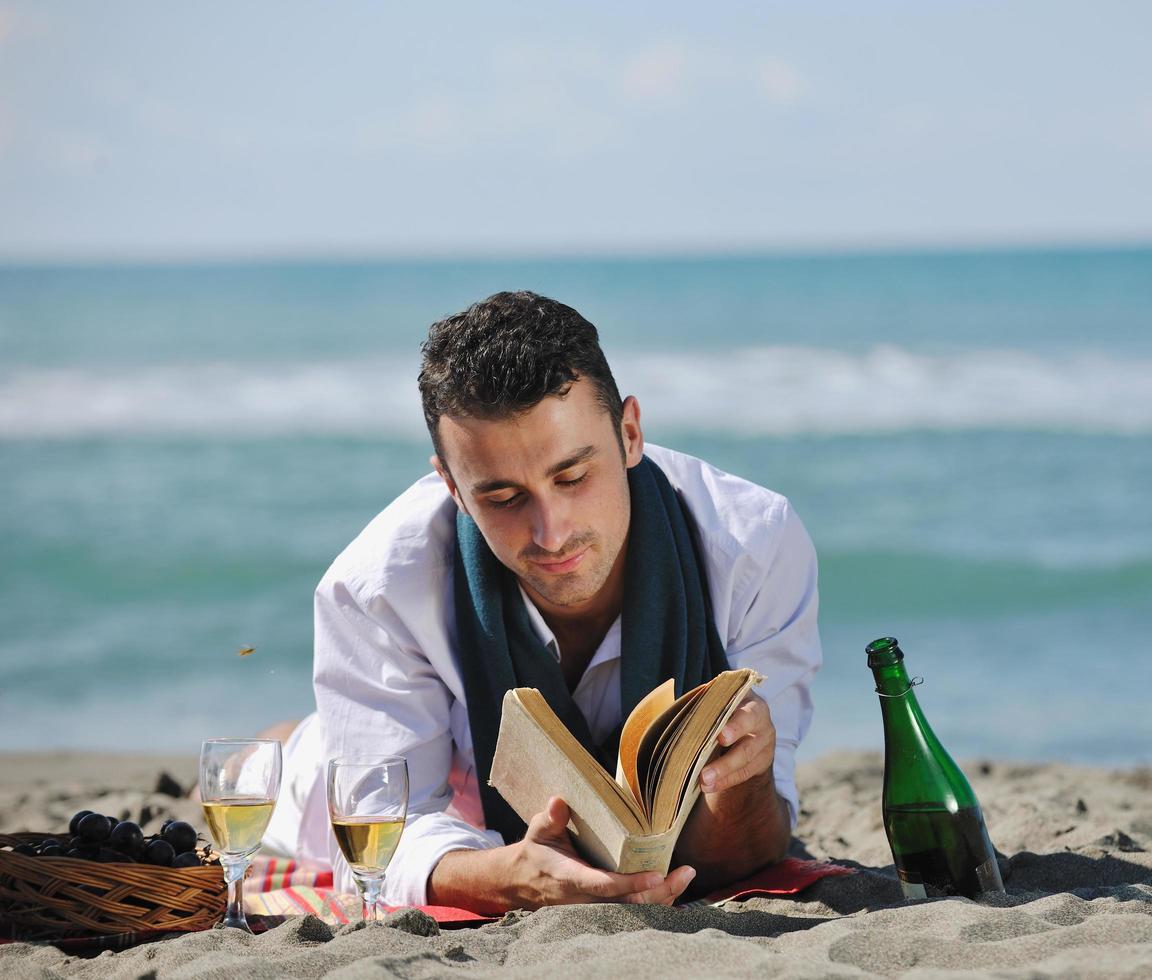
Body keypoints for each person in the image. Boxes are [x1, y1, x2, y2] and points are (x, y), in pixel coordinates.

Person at [262, 290, 821, 914]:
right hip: (423, 791)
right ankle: (292, 740)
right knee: (297, 775)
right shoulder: (375, 589)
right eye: (502, 498)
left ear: (630, 433)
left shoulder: (756, 546)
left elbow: (766, 833)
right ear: (450, 485)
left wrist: (746, 779)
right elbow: (375, 845)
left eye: (573, 478)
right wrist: (510, 875)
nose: (551, 534)